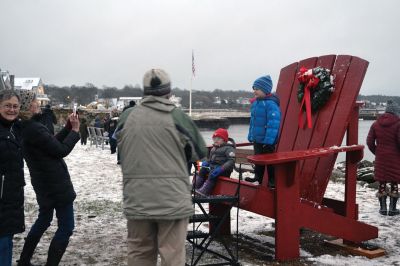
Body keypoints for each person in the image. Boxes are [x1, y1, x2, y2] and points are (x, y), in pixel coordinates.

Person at [117, 68, 207, 266]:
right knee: (172, 256)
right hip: (172, 200)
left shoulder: (126, 117)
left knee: (139, 253)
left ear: (145, 91)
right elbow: (199, 151)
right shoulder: (177, 117)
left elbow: (120, 147)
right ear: (169, 91)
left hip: (137, 199)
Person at [17, 99, 80, 266]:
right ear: (27, 107)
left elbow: (51, 143)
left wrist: (67, 128)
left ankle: (24, 260)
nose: (38, 105)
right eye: (34, 103)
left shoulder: (27, 127)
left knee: (44, 219)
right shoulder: (34, 128)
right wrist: (75, 131)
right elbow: (60, 150)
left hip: (43, 183)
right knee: (66, 227)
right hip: (55, 185)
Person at [0, 90, 25, 266]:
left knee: (6, 243)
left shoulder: (15, 129)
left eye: (15, 106)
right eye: (7, 105)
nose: (12, 109)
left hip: (11, 199)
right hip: (2, 200)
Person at [245, 75, 281, 187]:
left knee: (269, 161)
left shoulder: (271, 104)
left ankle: (272, 180)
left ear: (265, 90)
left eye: (257, 89)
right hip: (257, 138)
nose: (254, 91)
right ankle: (258, 178)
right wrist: (251, 135)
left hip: (267, 140)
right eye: (254, 88)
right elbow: (253, 122)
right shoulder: (256, 103)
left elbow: (273, 124)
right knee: (258, 160)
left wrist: (268, 141)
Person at [367, 100, 400, 216]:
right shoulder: (398, 123)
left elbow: (369, 142)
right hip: (395, 158)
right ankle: (392, 209)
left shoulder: (376, 124)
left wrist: (377, 152)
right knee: (394, 182)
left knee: (382, 182)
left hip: (381, 157)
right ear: (396, 111)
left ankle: (382, 208)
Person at [195, 128, 235, 196]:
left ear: (224, 140)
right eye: (214, 138)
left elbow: (231, 161)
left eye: (218, 138)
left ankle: (205, 190)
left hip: (224, 170)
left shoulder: (229, 148)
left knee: (212, 173)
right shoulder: (214, 148)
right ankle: (196, 185)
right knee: (203, 170)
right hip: (214, 167)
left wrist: (221, 168)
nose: (216, 140)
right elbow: (210, 159)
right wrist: (207, 162)